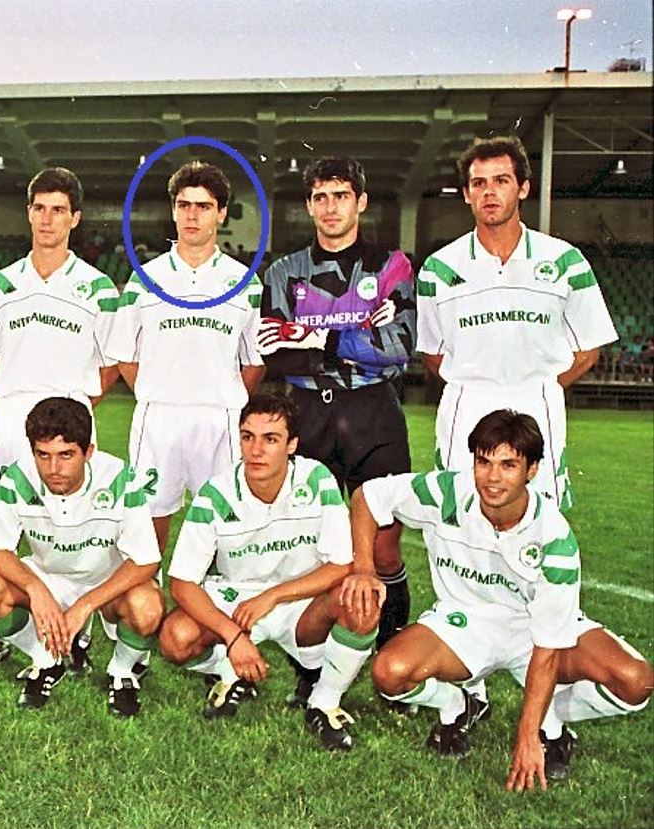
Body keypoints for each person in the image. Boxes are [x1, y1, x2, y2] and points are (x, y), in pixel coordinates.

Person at [346, 409, 651, 787]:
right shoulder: (446, 493)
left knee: (635, 681)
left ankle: (552, 723)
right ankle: (458, 705)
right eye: (484, 462)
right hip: (464, 623)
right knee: (389, 673)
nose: (492, 477)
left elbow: (548, 647)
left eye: (508, 465)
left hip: (532, 629)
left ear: (532, 471)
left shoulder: (553, 537)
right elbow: (367, 497)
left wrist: (529, 735)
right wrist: (363, 567)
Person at [158, 393, 378, 751]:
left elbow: (342, 564)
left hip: (301, 601)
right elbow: (182, 583)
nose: (256, 450)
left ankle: (324, 702)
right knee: (175, 637)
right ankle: (230, 673)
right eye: (248, 437)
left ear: (292, 445)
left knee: (361, 601)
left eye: (270, 439)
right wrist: (233, 637)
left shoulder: (316, 479)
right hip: (237, 599)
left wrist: (273, 596)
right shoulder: (217, 493)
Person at [0, 166, 120, 671]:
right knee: (2, 520)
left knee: (71, 520)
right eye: (39, 209)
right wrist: (26, 394)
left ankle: (78, 629)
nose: (48, 219)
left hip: (71, 412)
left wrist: (74, 409)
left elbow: (111, 362)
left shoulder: (98, 288)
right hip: (13, 411)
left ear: (75, 218)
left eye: (58, 210)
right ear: (28, 213)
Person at [258, 156, 416, 649]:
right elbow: (276, 354)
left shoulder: (390, 266)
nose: (331, 207)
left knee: (383, 546)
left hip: (374, 412)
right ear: (309, 206)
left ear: (360, 202)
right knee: (314, 547)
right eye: (321, 197)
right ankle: (313, 657)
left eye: (341, 196)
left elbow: (397, 348)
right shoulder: (285, 272)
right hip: (309, 414)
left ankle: (391, 645)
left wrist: (316, 338)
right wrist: (357, 337)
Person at [418, 136, 617, 512]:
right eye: (479, 183)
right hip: (467, 408)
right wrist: (481, 386)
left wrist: (534, 387)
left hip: (537, 408)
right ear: (466, 194)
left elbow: (588, 351)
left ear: (523, 187)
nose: (489, 192)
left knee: (540, 522)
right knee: (460, 518)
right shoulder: (438, 269)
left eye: (501, 180)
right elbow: (433, 354)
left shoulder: (565, 262)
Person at [107, 160, 266, 553]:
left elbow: (254, 361)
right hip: (158, 419)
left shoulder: (246, 283)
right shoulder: (144, 279)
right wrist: (157, 391)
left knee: (227, 530)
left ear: (222, 213)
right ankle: (148, 594)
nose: (193, 215)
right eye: (184, 205)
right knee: (147, 532)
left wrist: (223, 397)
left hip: (219, 421)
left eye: (204, 206)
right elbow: (125, 355)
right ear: (173, 210)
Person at [0, 398, 161, 716]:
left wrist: (85, 605)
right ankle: (47, 659)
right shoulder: (18, 478)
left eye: (66, 455)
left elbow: (145, 560)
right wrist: (35, 589)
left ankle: (122, 672)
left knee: (147, 606)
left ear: (89, 452)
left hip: (105, 580)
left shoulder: (120, 479)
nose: (53, 469)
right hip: (48, 576)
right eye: (43, 455)